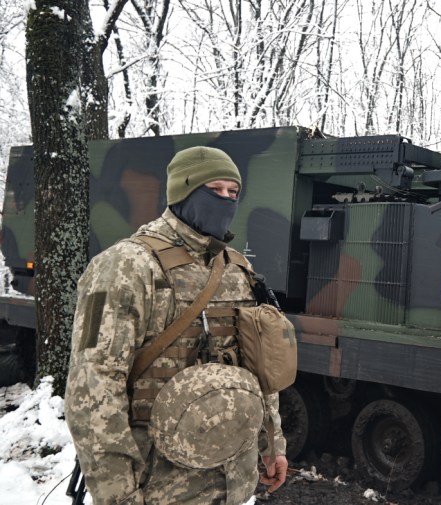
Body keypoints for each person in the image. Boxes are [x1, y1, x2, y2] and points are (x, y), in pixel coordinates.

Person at [65, 146, 288, 505]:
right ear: (183, 192)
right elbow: (92, 387)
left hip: (232, 478)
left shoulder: (238, 268)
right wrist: (117, 493)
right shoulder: (126, 266)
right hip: (159, 485)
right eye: (214, 190)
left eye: (234, 193)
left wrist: (271, 444)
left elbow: (258, 369)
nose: (226, 200)